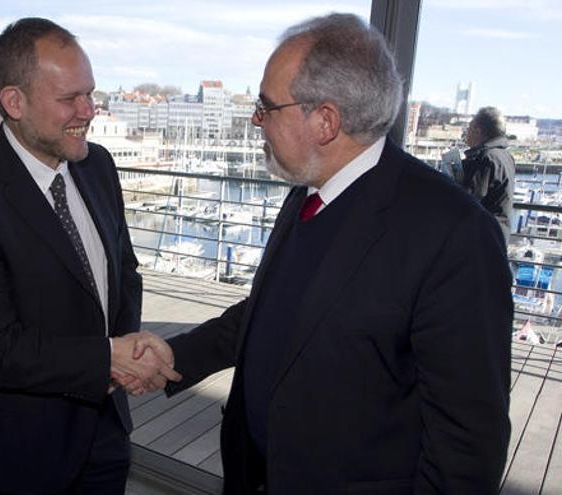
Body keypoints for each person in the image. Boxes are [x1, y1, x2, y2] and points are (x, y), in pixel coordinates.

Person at [135, 13, 512, 494]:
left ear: (326, 121)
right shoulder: (307, 191)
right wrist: (176, 353)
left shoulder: (454, 234)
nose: (255, 119)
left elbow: (468, 448)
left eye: (266, 106)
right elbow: (274, 310)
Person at [0, 18, 179, 494]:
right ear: (14, 102)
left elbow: (124, 273)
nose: (89, 111)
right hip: (19, 449)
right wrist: (106, 358)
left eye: (91, 93)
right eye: (70, 99)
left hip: (105, 431)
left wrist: (125, 354)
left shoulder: (98, 164)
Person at [461, 106, 516, 242]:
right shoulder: (505, 156)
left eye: (469, 128)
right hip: (498, 233)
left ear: (478, 131)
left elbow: (470, 197)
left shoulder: (485, 158)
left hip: (481, 235)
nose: (466, 132)